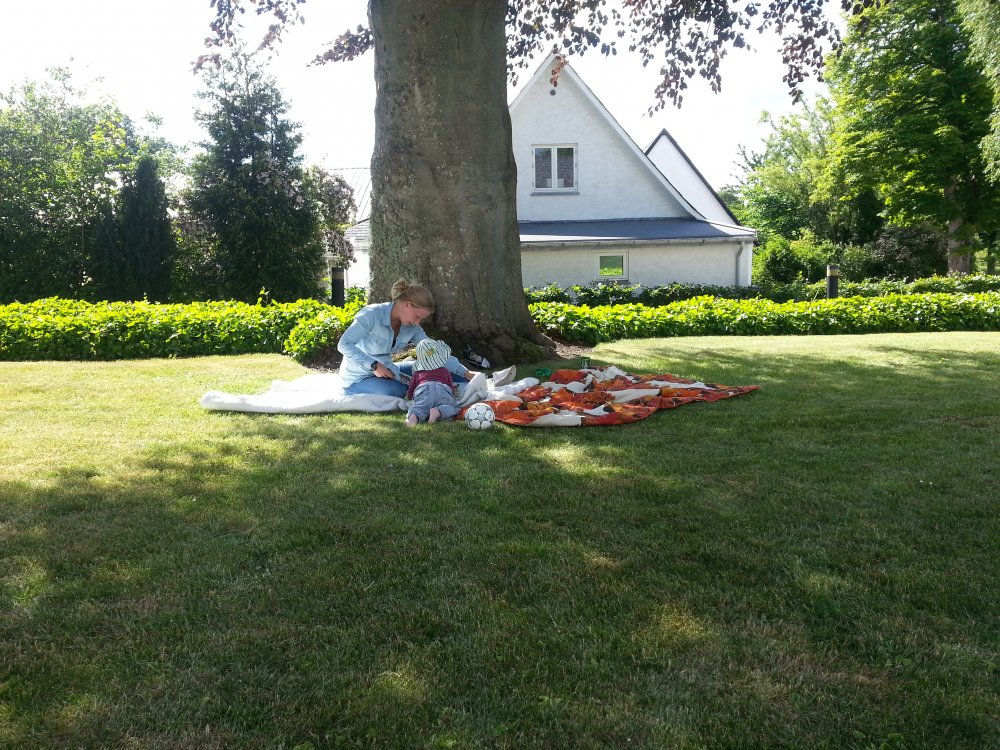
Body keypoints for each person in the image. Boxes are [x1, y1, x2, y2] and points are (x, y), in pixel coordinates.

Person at [337, 278, 516, 398]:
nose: (418, 323)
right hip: (358, 378)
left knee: (439, 368)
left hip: (391, 370)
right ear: (406, 305)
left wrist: (466, 372)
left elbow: (433, 352)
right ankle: (452, 388)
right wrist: (374, 365)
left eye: (421, 319)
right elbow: (344, 344)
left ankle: (488, 381)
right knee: (397, 390)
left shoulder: (412, 327)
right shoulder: (371, 315)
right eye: (417, 316)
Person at [404, 338, 460, 425]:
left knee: (419, 407)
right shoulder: (445, 371)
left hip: (424, 389)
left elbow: (412, 387)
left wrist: (410, 396)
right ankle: (437, 412)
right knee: (451, 407)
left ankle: (413, 418)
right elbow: (450, 385)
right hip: (442, 389)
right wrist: (452, 395)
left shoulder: (417, 373)